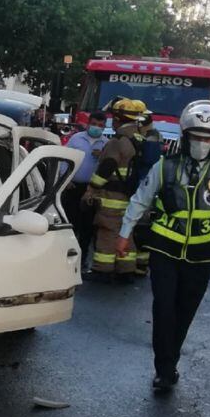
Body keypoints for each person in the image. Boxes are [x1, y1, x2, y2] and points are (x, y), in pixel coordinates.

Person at [116, 100, 210, 391]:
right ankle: (163, 371)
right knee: (163, 308)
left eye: (207, 138)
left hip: (202, 256)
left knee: (184, 312)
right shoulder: (165, 166)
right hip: (164, 250)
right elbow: (141, 198)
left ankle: (171, 361)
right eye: (195, 137)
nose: (201, 143)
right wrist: (124, 232)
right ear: (185, 136)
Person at [83, 98, 147, 282]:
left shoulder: (117, 141)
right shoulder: (139, 139)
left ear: (117, 118)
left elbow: (107, 167)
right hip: (133, 195)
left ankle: (102, 270)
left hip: (113, 195)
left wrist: (92, 188)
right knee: (125, 233)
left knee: (107, 231)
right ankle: (126, 270)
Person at [62, 112, 109, 267]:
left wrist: (102, 156)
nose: (97, 128)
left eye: (101, 126)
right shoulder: (76, 139)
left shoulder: (106, 144)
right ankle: (66, 256)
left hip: (91, 190)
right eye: (94, 124)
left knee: (87, 226)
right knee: (70, 223)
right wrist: (65, 179)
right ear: (89, 123)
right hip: (73, 187)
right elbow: (65, 159)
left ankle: (82, 260)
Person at [132, 113, 163, 276]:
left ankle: (141, 263)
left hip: (145, 183)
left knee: (142, 225)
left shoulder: (151, 137)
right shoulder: (152, 135)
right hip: (145, 182)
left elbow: (149, 159)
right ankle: (141, 262)